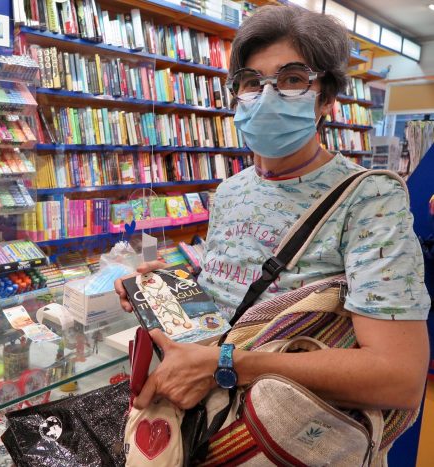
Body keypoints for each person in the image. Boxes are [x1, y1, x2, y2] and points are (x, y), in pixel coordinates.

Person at [115, 5, 430, 414]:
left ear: (326, 98)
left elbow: (399, 377)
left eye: (292, 80)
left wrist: (224, 366)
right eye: (251, 82)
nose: (267, 96)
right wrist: (172, 293)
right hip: (208, 422)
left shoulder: (370, 198)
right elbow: (231, 305)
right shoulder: (230, 190)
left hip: (289, 436)